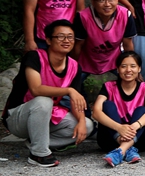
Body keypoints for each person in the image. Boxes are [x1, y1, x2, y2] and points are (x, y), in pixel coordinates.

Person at [3, 20, 93, 167]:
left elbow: (75, 101)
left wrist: (82, 121)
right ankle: (39, 154)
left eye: (70, 37)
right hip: (18, 117)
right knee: (43, 101)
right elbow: (36, 89)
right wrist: (69, 90)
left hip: (47, 115)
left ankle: (37, 142)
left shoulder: (74, 66)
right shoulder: (35, 57)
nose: (66, 40)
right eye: (61, 36)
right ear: (49, 40)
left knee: (87, 125)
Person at [92, 51, 145, 166]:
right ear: (117, 69)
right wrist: (119, 128)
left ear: (139, 69)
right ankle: (128, 149)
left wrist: (134, 127)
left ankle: (120, 151)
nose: (128, 70)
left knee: (142, 110)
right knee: (107, 105)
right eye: (123, 66)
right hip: (110, 140)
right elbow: (96, 112)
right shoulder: (108, 86)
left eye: (133, 66)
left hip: (139, 141)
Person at [73, 0, 137, 77]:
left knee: (132, 79)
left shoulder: (126, 15)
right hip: (87, 59)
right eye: (101, 0)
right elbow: (78, 46)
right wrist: (72, 67)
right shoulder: (83, 17)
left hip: (114, 58)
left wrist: (132, 67)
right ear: (93, 2)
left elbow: (127, 44)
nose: (107, 4)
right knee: (73, 81)